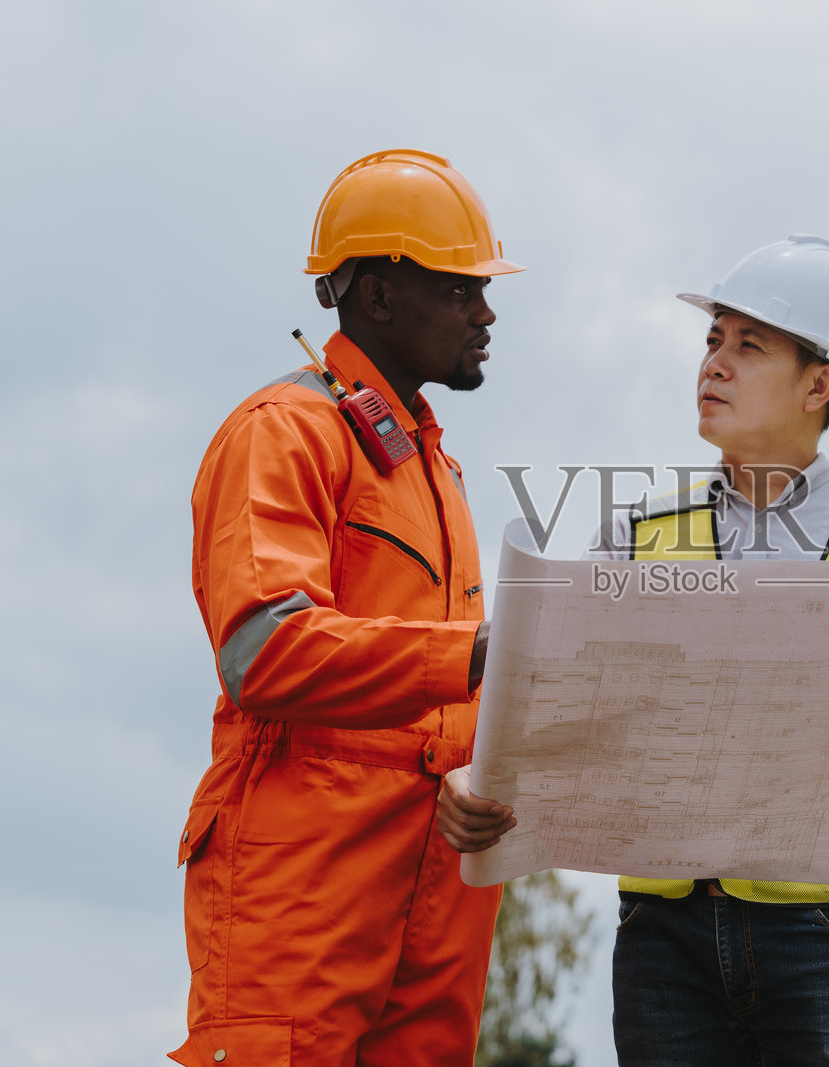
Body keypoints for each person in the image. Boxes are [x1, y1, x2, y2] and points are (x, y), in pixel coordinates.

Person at [437, 235, 829, 1066]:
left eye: (748, 345)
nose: (713, 363)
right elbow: (539, 697)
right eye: (712, 340)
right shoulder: (636, 535)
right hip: (663, 940)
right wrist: (478, 775)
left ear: (820, 384)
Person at [171, 150, 522, 1067]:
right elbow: (265, 651)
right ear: (375, 295)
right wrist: (478, 657)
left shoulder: (430, 467)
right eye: (460, 289)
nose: (486, 314)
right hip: (303, 899)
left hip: (432, 901)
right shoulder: (286, 432)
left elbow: (451, 701)